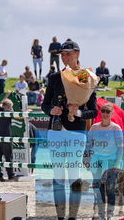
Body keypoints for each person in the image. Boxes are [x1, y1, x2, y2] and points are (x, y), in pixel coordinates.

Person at [41, 38, 97, 220]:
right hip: (56, 130)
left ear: (77, 54)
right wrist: (51, 109)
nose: (65, 57)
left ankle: (72, 217)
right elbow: (45, 104)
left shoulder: (85, 77)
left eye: (68, 53)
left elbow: (93, 111)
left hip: (76, 131)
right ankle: (59, 217)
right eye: (63, 54)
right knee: (58, 175)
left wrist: (79, 112)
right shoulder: (55, 78)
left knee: (74, 175)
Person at [87, 103, 123, 220]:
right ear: (100, 112)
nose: (105, 113)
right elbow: (88, 144)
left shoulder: (116, 128)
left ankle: (110, 214)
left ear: (112, 114)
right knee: (98, 188)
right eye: (103, 111)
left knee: (110, 188)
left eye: (108, 111)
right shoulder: (94, 127)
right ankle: (100, 213)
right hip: (96, 160)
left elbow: (120, 148)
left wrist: (117, 164)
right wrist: (86, 159)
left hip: (112, 161)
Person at [0, 99, 15, 181]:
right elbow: (18, 116)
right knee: (8, 157)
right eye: (10, 107)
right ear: (7, 107)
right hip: (6, 137)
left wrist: (3, 102)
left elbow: (0, 105)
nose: (11, 108)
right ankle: (11, 175)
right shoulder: (9, 112)